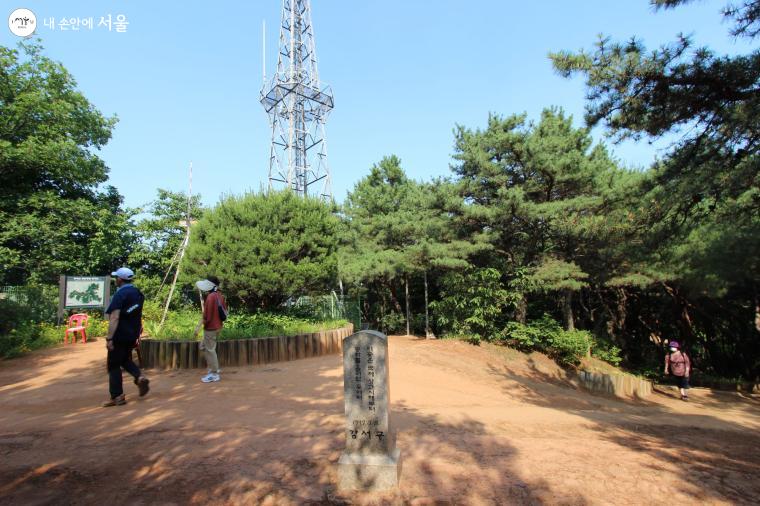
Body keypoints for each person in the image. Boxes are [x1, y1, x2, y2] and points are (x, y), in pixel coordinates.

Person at [103, 267, 149, 407]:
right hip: (132, 334)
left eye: (116, 277)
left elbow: (115, 317)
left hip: (119, 334)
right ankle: (139, 377)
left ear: (120, 279)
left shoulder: (120, 294)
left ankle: (117, 396)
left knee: (113, 364)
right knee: (124, 359)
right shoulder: (138, 293)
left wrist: (110, 338)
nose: (115, 279)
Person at [194, 276, 227, 383]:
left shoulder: (210, 297)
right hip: (217, 327)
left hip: (211, 329)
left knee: (210, 350)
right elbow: (225, 312)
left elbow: (206, 317)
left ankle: (214, 374)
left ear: (210, 286)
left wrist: (198, 328)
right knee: (203, 346)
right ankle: (213, 367)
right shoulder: (219, 295)